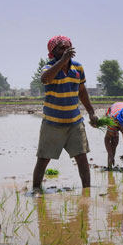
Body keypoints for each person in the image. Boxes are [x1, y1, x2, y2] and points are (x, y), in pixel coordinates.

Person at [32, 35, 98, 190]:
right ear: (53, 51)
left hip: (74, 122)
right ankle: (36, 189)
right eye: (61, 48)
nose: (65, 50)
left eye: (68, 47)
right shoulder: (49, 67)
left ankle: (86, 191)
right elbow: (44, 79)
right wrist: (62, 61)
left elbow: (81, 90)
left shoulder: (78, 68)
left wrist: (91, 112)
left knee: (82, 157)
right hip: (52, 123)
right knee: (43, 158)